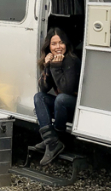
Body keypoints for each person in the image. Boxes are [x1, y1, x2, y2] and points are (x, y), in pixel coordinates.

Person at [33, 28, 81, 165]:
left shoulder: (72, 60)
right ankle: (51, 141)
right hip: (62, 104)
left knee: (61, 99)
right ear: (49, 46)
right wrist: (48, 66)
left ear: (66, 44)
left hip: (73, 103)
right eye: (54, 44)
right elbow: (43, 88)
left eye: (61, 43)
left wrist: (55, 67)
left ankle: (58, 137)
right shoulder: (52, 61)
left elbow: (67, 89)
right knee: (39, 97)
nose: (58, 47)